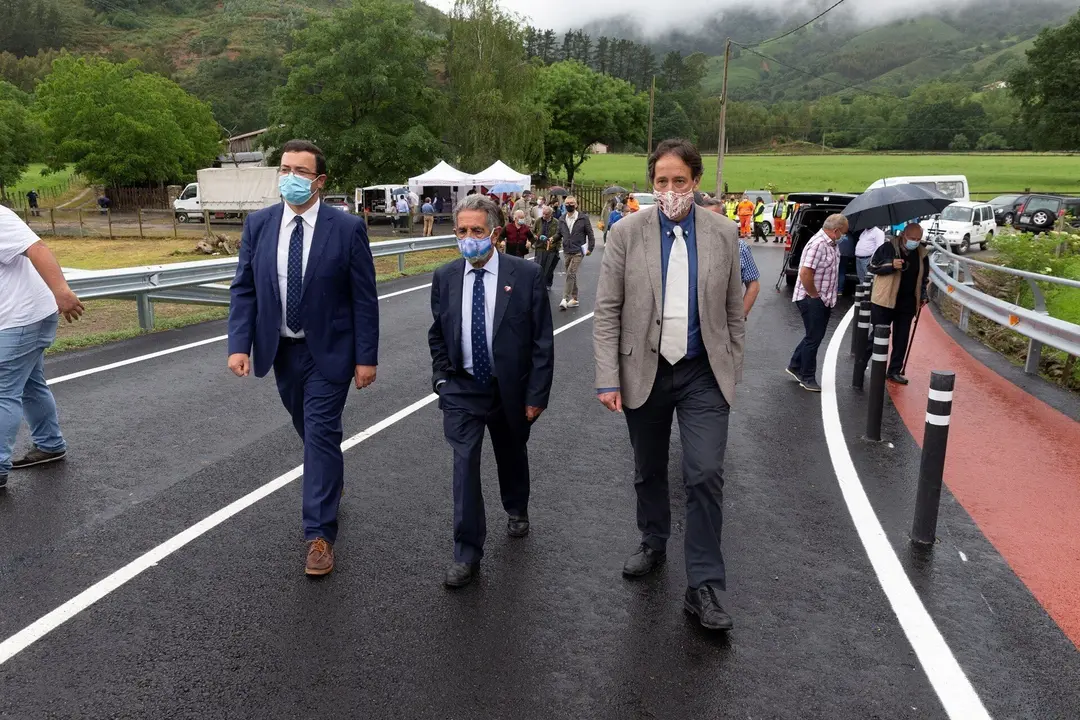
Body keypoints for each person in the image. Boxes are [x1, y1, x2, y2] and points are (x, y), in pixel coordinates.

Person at [594, 139, 745, 632]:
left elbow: (731, 310)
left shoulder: (724, 232)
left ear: (696, 182)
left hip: (703, 373)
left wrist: (731, 369)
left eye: (680, 180)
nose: (671, 189)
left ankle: (704, 584)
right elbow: (608, 310)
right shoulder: (627, 232)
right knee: (648, 468)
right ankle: (653, 540)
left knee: (704, 473)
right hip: (645, 369)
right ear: (651, 184)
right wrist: (606, 377)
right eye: (662, 181)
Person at [227, 139, 379, 577]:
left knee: (319, 433)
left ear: (320, 181)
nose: (290, 178)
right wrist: (239, 344)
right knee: (310, 430)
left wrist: (365, 356)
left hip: (329, 352)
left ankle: (319, 535)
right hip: (282, 352)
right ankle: (330, 479)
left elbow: (363, 298)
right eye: (284, 169)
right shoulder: (259, 225)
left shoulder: (346, 228)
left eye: (300, 171)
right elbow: (245, 290)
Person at [428, 194, 555, 588]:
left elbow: (541, 341)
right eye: (462, 231)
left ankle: (516, 507)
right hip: (462, 388)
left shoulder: (525, 275)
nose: (469, 238)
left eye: (477, 231)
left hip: (510, 389)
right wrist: (441, 379)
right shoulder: (445, 277)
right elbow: (438, 333)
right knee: (464, 466)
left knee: (511, 453)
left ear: (495, 233)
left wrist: (536, 395)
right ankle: (467, 553)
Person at [0, 206, 84, 490]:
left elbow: (37, 248)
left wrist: (61, 290)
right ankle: (50, 445)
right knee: (30, 385)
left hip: (23, 319)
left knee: (3, 390)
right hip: (20, 317)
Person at [859, 224, 930, 385]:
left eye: (918, 239)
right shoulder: (887, 248)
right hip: (884, 300)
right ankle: (861, 364)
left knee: (902, 338)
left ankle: (894, 371)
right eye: (912, 239)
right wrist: (891, 265)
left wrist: (923, 295)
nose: (915, 242)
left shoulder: (922, 253)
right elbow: (872, 266)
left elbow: (924, 278)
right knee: (878, 335)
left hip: (908, 302)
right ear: (904, 235)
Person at [787, 214, 848, 392]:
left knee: (813, 336)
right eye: (843, 233)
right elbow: (805, 273)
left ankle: (795, 365)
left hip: (824, 298)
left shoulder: (832, 244)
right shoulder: (818, 244)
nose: (844, 236)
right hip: (811, 298)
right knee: (814, 338)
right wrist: (814, 295)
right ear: (836, 230)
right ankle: (807, 377)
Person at [705, 197, 760, 317]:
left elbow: (753, 284)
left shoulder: (739, 247)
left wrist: (742, 314)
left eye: (716, 218)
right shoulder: (689, 245)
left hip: (725, 318)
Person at [557, 195, 595, 311]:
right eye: (567, 203)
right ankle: (574, 298)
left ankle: (564, 298)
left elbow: (590, 234)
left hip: (579, 250)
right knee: (571, 274)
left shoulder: (583, 218)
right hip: (567, 250)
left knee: (570, 273)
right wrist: (552, 239)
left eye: (571, 203)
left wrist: (590, 248)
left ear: (576, 204)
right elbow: (559, 234)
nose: (569, 205)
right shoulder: (562, 219)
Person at [533, 205, 561, 290]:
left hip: (551, 248)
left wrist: (554, 242)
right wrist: (535, 237)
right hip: (540, 247)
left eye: (546, 214)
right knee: (538, 267)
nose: (544, 216)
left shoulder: (556, 222)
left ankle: (548, 283)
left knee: (549, 268)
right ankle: (538, 284)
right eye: (543, 214)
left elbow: (559, 234)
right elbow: (533, 231)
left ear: (551, 214)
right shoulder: (538, 220)